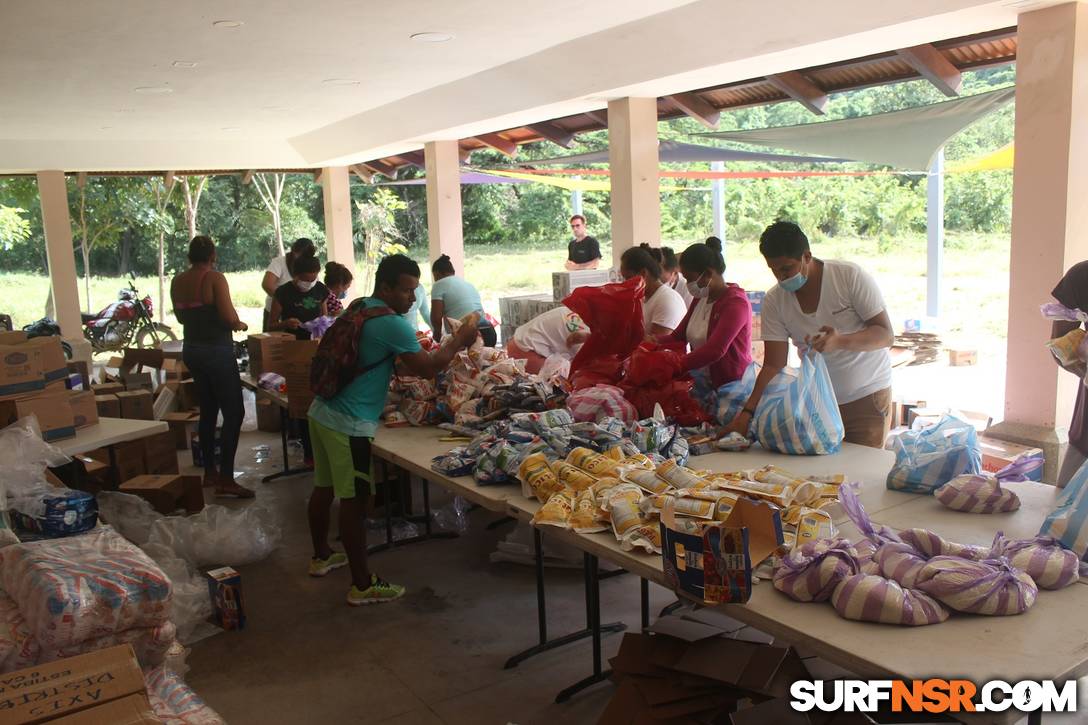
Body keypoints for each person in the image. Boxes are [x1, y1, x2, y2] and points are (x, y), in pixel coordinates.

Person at [306, 254, 480, 605]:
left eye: (415, 290)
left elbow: (389, 359)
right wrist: (459, 339)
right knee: (357, 500)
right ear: (385, 287)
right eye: (405, 291)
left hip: (321, 411)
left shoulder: (360, 307)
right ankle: (362, 584)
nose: (412, 299)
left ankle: (323, 555)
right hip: (349, 422)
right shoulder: (392, 323)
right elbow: (430, 369)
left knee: (324, 488)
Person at [724, 222, 894, 448]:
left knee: (863, 474)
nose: (781, 277)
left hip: (866, 396)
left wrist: (840, 341)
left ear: (807, 256)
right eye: (774, 270)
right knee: (823, 476)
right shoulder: (775, 301)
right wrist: (747, 413)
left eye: (786, 268)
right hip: (816, 403)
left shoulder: (848, 277)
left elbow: (885, 335)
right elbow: (773, 365)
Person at [170, 236, 253, 499]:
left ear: (189, 256)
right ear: (213, 255)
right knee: (234, 413)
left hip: (192, 350)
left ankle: (210, 473)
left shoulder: (177, 281)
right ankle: (227, 479)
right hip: (216, 351)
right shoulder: (215, 278)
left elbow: (182, 316)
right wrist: (240, 325)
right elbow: (228, 318)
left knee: (208, 410)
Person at [660, 239, 752, 389]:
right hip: (702, 382)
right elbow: (677, 337)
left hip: (730, 386)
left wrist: (676, 364)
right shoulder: (700, 299)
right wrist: (651, 342)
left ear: (708, 273)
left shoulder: (735, 303)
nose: (689, 284)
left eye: (690, 279)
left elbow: (715, 350)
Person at [1051, 261, 1088, 486]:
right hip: (1085, 439)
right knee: (1067, 513)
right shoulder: (1082, 277)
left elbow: (1061, 349)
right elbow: (1061, 347)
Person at [429, 255, 496, 346]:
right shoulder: (468, 284)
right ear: (453, 272)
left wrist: (437, 335)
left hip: (469, 335)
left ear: (437, 274)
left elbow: (436, 318)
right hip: (488, 330)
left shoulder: (438, 285)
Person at [621, 245, 687, 336]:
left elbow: (655, 344)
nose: (626, 283)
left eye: (628, 278)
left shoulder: (667, 300)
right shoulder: (644, 298)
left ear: (643, 273)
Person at [506, 305, 590, 375]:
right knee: (569, 381)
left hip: (520, 341)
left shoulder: (585, 310)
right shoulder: (589, 330)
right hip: (526, 352)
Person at [269, 255, 329, 341]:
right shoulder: (282, 292)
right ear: (295, 275)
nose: (309, 283)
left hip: (315, 341)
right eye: (306, 280)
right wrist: (285, 324)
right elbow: (271, 326)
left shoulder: (320, 289)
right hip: (292, 342)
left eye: (313, 280)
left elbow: (324, 318)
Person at [262, 238, 315, 331]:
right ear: (294, 252)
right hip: (276, 313)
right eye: (300, 256)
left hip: (301, 315)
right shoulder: (279, 263)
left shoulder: (311, 265)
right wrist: (287, 302)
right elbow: (267, 285)